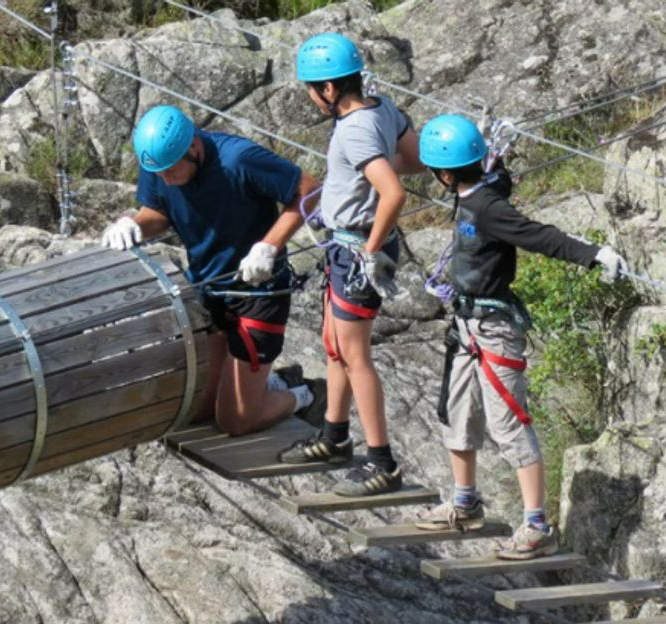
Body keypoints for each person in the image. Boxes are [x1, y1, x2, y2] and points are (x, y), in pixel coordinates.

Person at [413, 114, 628, 559]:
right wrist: (498, 158)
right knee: (455, 413)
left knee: (508, 422)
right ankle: (464, 501)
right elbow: (498, 179)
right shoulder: (478, 191)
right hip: (467, 327)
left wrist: (592, 255)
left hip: (494, 332)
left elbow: (538, 236)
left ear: (446, 174)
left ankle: (537, 527)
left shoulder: (489, 208)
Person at [101, 104, 323, 436]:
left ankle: (306, 394)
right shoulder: (159, 160)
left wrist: (269, 245)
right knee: (197, 411)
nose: (166, 180)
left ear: (193, 146)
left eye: (171, 171)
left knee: (234, 421)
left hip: (259, 293)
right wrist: (132, 224)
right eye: (159, 174)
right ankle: (270, 383)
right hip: (208, 289)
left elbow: (311, 190)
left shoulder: (238, 160)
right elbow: (158, 212)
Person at [278, 32, 424, 497]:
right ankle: (334, 436)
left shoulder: (355, 128)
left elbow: (395, 192)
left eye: (310, 88)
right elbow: (414, 160)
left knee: (356, 357)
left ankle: (383, 463)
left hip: (356, 249)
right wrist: (358, 184)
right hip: (348, 245)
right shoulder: (382, 109)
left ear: (328, 88)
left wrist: (369, 246)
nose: (310, 97)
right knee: (336, 346)